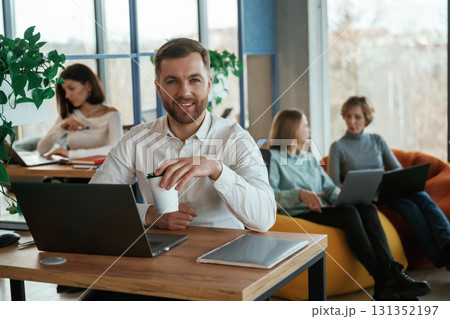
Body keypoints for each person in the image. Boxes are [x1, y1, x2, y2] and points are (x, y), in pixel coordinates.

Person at [90, 38, 276, 232]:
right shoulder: (137, 139)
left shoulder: (235, 138)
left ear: (209, 85)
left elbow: (264, 220)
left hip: (225, 253)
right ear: (159, 89)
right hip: (161, 253)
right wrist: (149, 215)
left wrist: (216, 169)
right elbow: (94, 202)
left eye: (194, 80)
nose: (184, 92)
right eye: (172, 81)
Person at [268, 109, 430, 301]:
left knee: (367, 208)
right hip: (300, 213)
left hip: (324, 208)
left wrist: (347, 196)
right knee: (349, 214)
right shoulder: (274, 158)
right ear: (292, 128)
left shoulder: (308, 158)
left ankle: (392, 274)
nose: (309, 130)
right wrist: (298, 194)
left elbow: (328, 188)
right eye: (305, 125)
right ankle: (386, 279)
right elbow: (269, 196)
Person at [328, 95, 450, 271]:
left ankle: (447, 244)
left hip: (387, 188)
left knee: (421, 195)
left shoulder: (377, 140)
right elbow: (332, 184)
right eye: (348, 116)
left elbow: (397, 169)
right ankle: (439, 257)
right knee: (410, 208)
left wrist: (389, 179)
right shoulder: (338, 147)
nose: (351, 121)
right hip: (368, 196)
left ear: (366, 118)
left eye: (357, 117)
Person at [37, 63, 123, 159]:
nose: (67, 96)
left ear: (88, 85)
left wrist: (71, 154)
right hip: (73, 171)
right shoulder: (70, 114)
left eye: (71, 88)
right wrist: (61, 128)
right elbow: (41, 150)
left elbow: (116, 149)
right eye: (65, 91)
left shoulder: (112, 114)